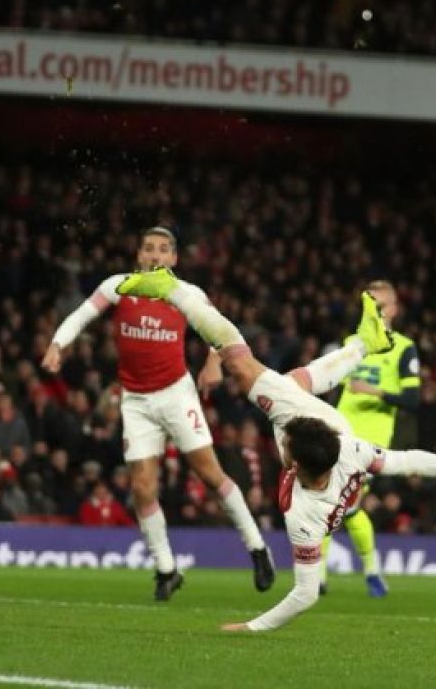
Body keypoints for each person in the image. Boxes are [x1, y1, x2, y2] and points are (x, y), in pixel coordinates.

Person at [115, 267, 436, 631]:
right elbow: (408, 461)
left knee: (292, 381)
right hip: (330, 427)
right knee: (239, 362)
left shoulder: (302, 516)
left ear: (293, 463)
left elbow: (305, 594)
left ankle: (364, 343)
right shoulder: (349, 452)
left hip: (313, 427)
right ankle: (171, 289)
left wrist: (250, 627)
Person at [42, 227, 274, 600]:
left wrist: (213, 363)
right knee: (141, 488)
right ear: (138, 255)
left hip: (176, 395)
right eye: (148, 248)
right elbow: (82, 314)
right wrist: (58, 344)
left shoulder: (186, 294)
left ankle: (258, 549)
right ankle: (166, 570)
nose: (155, 255)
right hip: (136, 401)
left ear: (174, 260)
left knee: (210, 475)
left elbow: (219, 330)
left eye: (163, 250)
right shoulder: (119, 286)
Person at [323, 279, 420, 596]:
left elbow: (413, 398)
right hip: (339, 429)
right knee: (330, 500)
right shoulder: (353, 341)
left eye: (379, 306)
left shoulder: (404, 348)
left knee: (336, 501)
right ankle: (368, 571)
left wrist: (374, 391)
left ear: (393, 309)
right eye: (369, 306)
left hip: (372, 438)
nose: (373, 312)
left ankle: (323, 576)